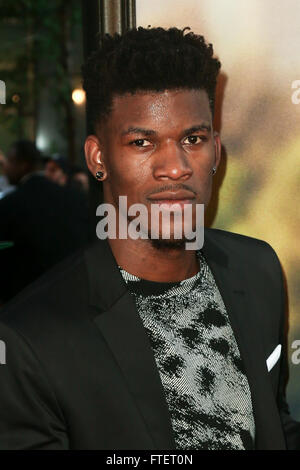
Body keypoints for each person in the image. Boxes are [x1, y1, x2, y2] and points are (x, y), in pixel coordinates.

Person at [0, 27, 299, 450]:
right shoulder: (31, 339)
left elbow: (271, 422)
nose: (175, 167)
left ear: (215, 150)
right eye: (142, 142)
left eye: (192, 140)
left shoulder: (258, 269)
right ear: (98, 157)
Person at [0, 140, 90, 303]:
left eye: (10, 162)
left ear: (23, 165)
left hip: (26, 304)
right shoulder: (75, 199)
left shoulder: (11, 204)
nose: (5, 168)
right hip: (74, 297)